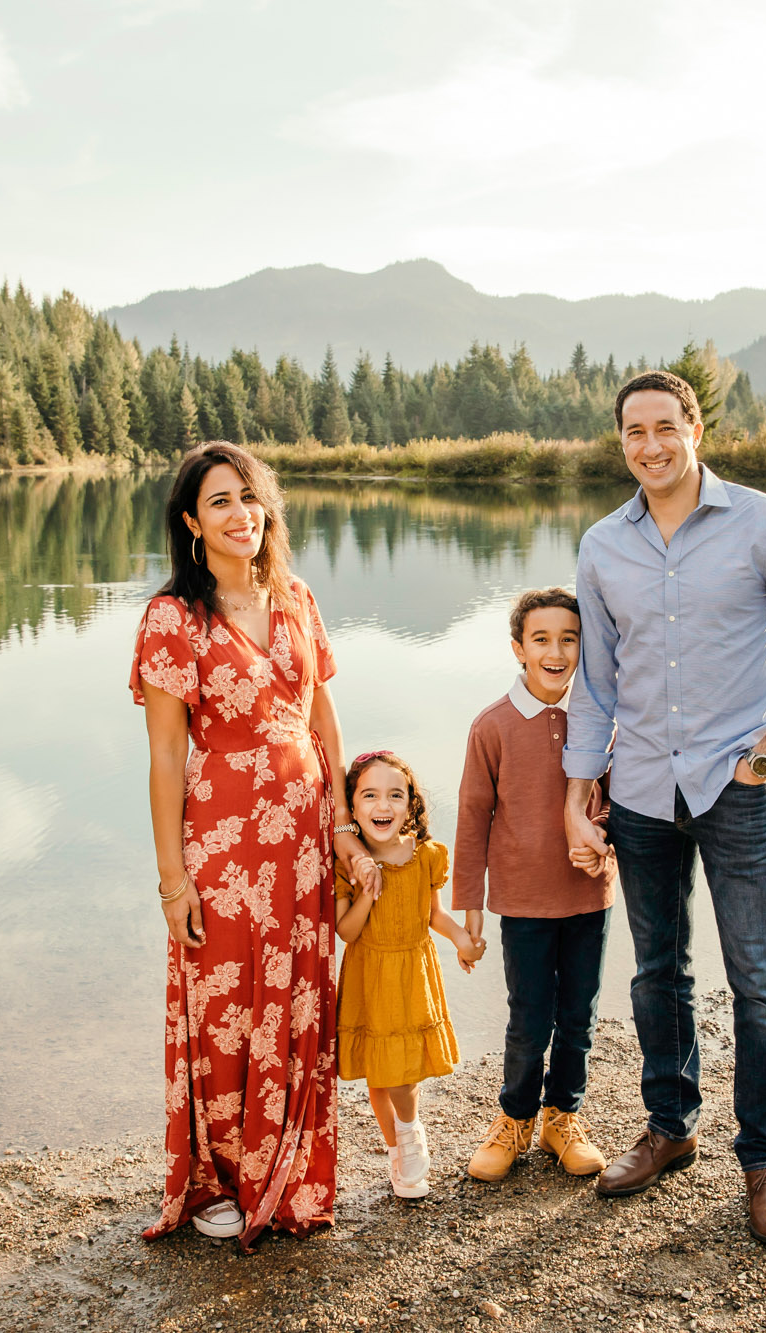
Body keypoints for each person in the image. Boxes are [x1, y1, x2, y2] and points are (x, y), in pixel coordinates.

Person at [563, 370, 766, 1246]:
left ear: (696, 428)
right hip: (643, 789)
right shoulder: (600, 545)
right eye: (632, 433)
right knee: (658, 972)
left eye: (664, 426)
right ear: (620, 442)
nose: (648, 446)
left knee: (760, 981)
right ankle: (671, 1127)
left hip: (741, 790)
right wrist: (582, 794)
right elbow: (596, 685)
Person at [130, 441, 372, 1249]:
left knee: (300, 997)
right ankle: (219, 1179)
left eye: (249, 497)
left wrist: (342, 822)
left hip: (304, 832)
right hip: (225, 842)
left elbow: (324, 717)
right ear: (192, 522)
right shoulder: (173, 619)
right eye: (220, 501)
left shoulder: (297, 596)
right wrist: (173, 881)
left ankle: (293, 1171)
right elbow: (167, 755)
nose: (240, 514)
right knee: (226, 1006)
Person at [455, 587, 616, 1183]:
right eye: (541, 639)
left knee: (579, 1014)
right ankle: (514, 1118)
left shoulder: (600, 723)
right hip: (521, 900)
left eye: (569, 639)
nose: (556, 651)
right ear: (519, 649)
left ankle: (562, 1117)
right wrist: (469, 904)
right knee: (529, 1016)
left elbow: (616, 802)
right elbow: (472, 817)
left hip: (586, 894)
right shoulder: (492, 727)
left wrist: (601, 836)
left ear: (584, 647)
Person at [333, 749, 481, 1197]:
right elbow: (346, 931)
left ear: (411, 803)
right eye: (370, 796)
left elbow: (433, 915)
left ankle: (411, 1130)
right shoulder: (344, 863)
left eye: (395, 795)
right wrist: (367, 890)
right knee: (381, 1072)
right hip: (370, 973)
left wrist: (461, 939)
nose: (384, 806)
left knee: (405, 1070)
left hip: (411, 970)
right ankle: (399, 1149)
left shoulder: (427, 855)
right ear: (352, 808)